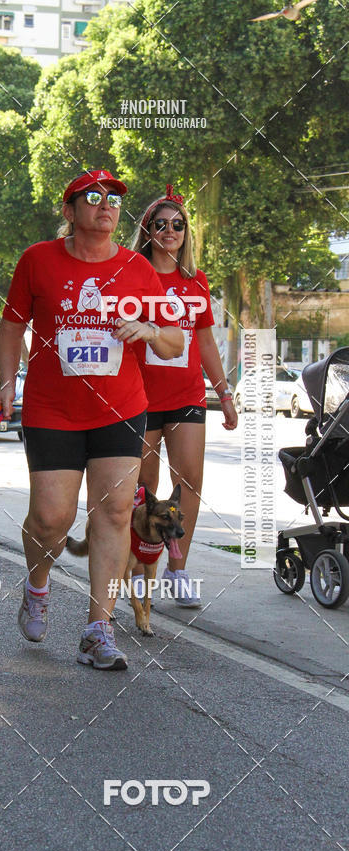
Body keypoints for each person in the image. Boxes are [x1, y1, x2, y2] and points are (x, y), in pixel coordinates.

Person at [0, 170, 184, 670]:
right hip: (52, 410)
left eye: (115, 199)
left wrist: (148, 328)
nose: (106, 206)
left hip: (120, 409)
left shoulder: (139, 270)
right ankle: (38, 586)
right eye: (93, 198)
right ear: (70, 210)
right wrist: (8, 383)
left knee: (116, 513)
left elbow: (175, 340)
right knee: (51, 519)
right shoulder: (38, 260)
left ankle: (98, 628)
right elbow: (12, 328)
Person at [131, 185, 238, 607]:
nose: (170, 230)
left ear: (186, 232)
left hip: (188, 395)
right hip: (139, 397)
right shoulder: (132, 274)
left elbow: (206, 343)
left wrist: (224, 393)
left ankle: (179, 569)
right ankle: (140, 569)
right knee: (143, 489)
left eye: (178, 224)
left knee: (188, 482)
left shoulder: (196, 281)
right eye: (161, 224)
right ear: (148, 230)